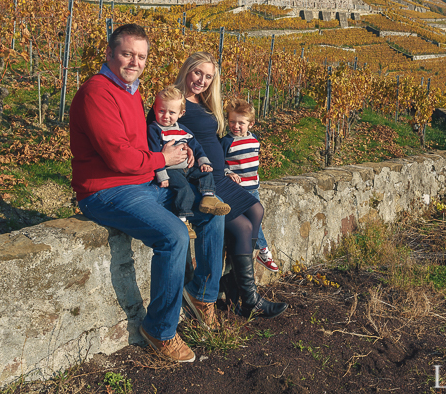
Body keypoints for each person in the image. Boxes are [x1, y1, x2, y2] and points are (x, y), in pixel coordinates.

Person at [69, 24, 225, 363]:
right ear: (110, 54)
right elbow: (117, 157)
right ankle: (160, 330)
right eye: (127, 54)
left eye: (141, 56)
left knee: (210, 210)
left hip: (140, 183)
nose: (134, 62)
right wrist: (163, 159)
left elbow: (139, 147)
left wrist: (172, 162)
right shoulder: (97, 93)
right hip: (107, 191)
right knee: (173, 235)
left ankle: (202, 294)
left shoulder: (129, 91)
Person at [176, 52, 287, 319]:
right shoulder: (175, 100)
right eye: (197, 73)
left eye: (208, 76)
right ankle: (248, 299)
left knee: (256, 209)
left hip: (220, 175)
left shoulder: (204, 101)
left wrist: (225, 168)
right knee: (244, 226)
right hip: (200, 179)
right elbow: (157, 131)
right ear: (186, 70)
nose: (202, 80)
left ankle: (234, 285)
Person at [146, 84, 230, 221]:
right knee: (184, 189)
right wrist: (162, 175)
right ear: (155, 109)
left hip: (187, 168)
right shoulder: (154, 129)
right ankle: (183, 218)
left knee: (206, 173)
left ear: (181, 113)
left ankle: (208, 197)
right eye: (161, 111)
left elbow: (196, 146)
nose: (166, 116)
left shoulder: (183, 130)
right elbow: (154, 151)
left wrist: (203, 161)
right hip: (170, 170)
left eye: (172, 113)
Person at [221, 98, 279, 272]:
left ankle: (251, 254)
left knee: (256, 221)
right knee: (251, 224)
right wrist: (228, 172)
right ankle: (263, 251)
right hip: (237, 191)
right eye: (232, 122)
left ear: (251, 123)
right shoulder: (226, 142)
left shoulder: (254, 139)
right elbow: (219, 163)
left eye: (241, 123)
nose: (236, 126)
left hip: (253, 187)